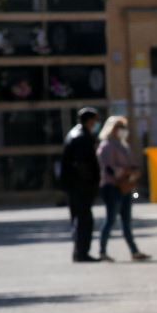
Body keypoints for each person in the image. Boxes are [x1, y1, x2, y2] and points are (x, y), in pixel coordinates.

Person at [97, 115, 150, 262]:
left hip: (126, 187)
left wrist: (134, 171)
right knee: (111, 219)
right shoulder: (106, 146)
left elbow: (130, 164)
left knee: (126, 220)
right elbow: (109, 168)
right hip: (111, 187)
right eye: (120, 127)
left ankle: (134, 251)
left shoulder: (123, 145)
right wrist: (126, 172)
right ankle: (102, 251)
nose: (123, 131)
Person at [59, 107, 101, 263]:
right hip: (80, 187)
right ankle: (82, 252)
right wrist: (90, 185)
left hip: (75, 186)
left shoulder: (75, 134)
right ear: (89, 121)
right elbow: (82, 165)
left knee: (79, 219)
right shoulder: (81, 137)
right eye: (95, 121)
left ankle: (80, 251)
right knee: (84, 220)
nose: (96, 124)